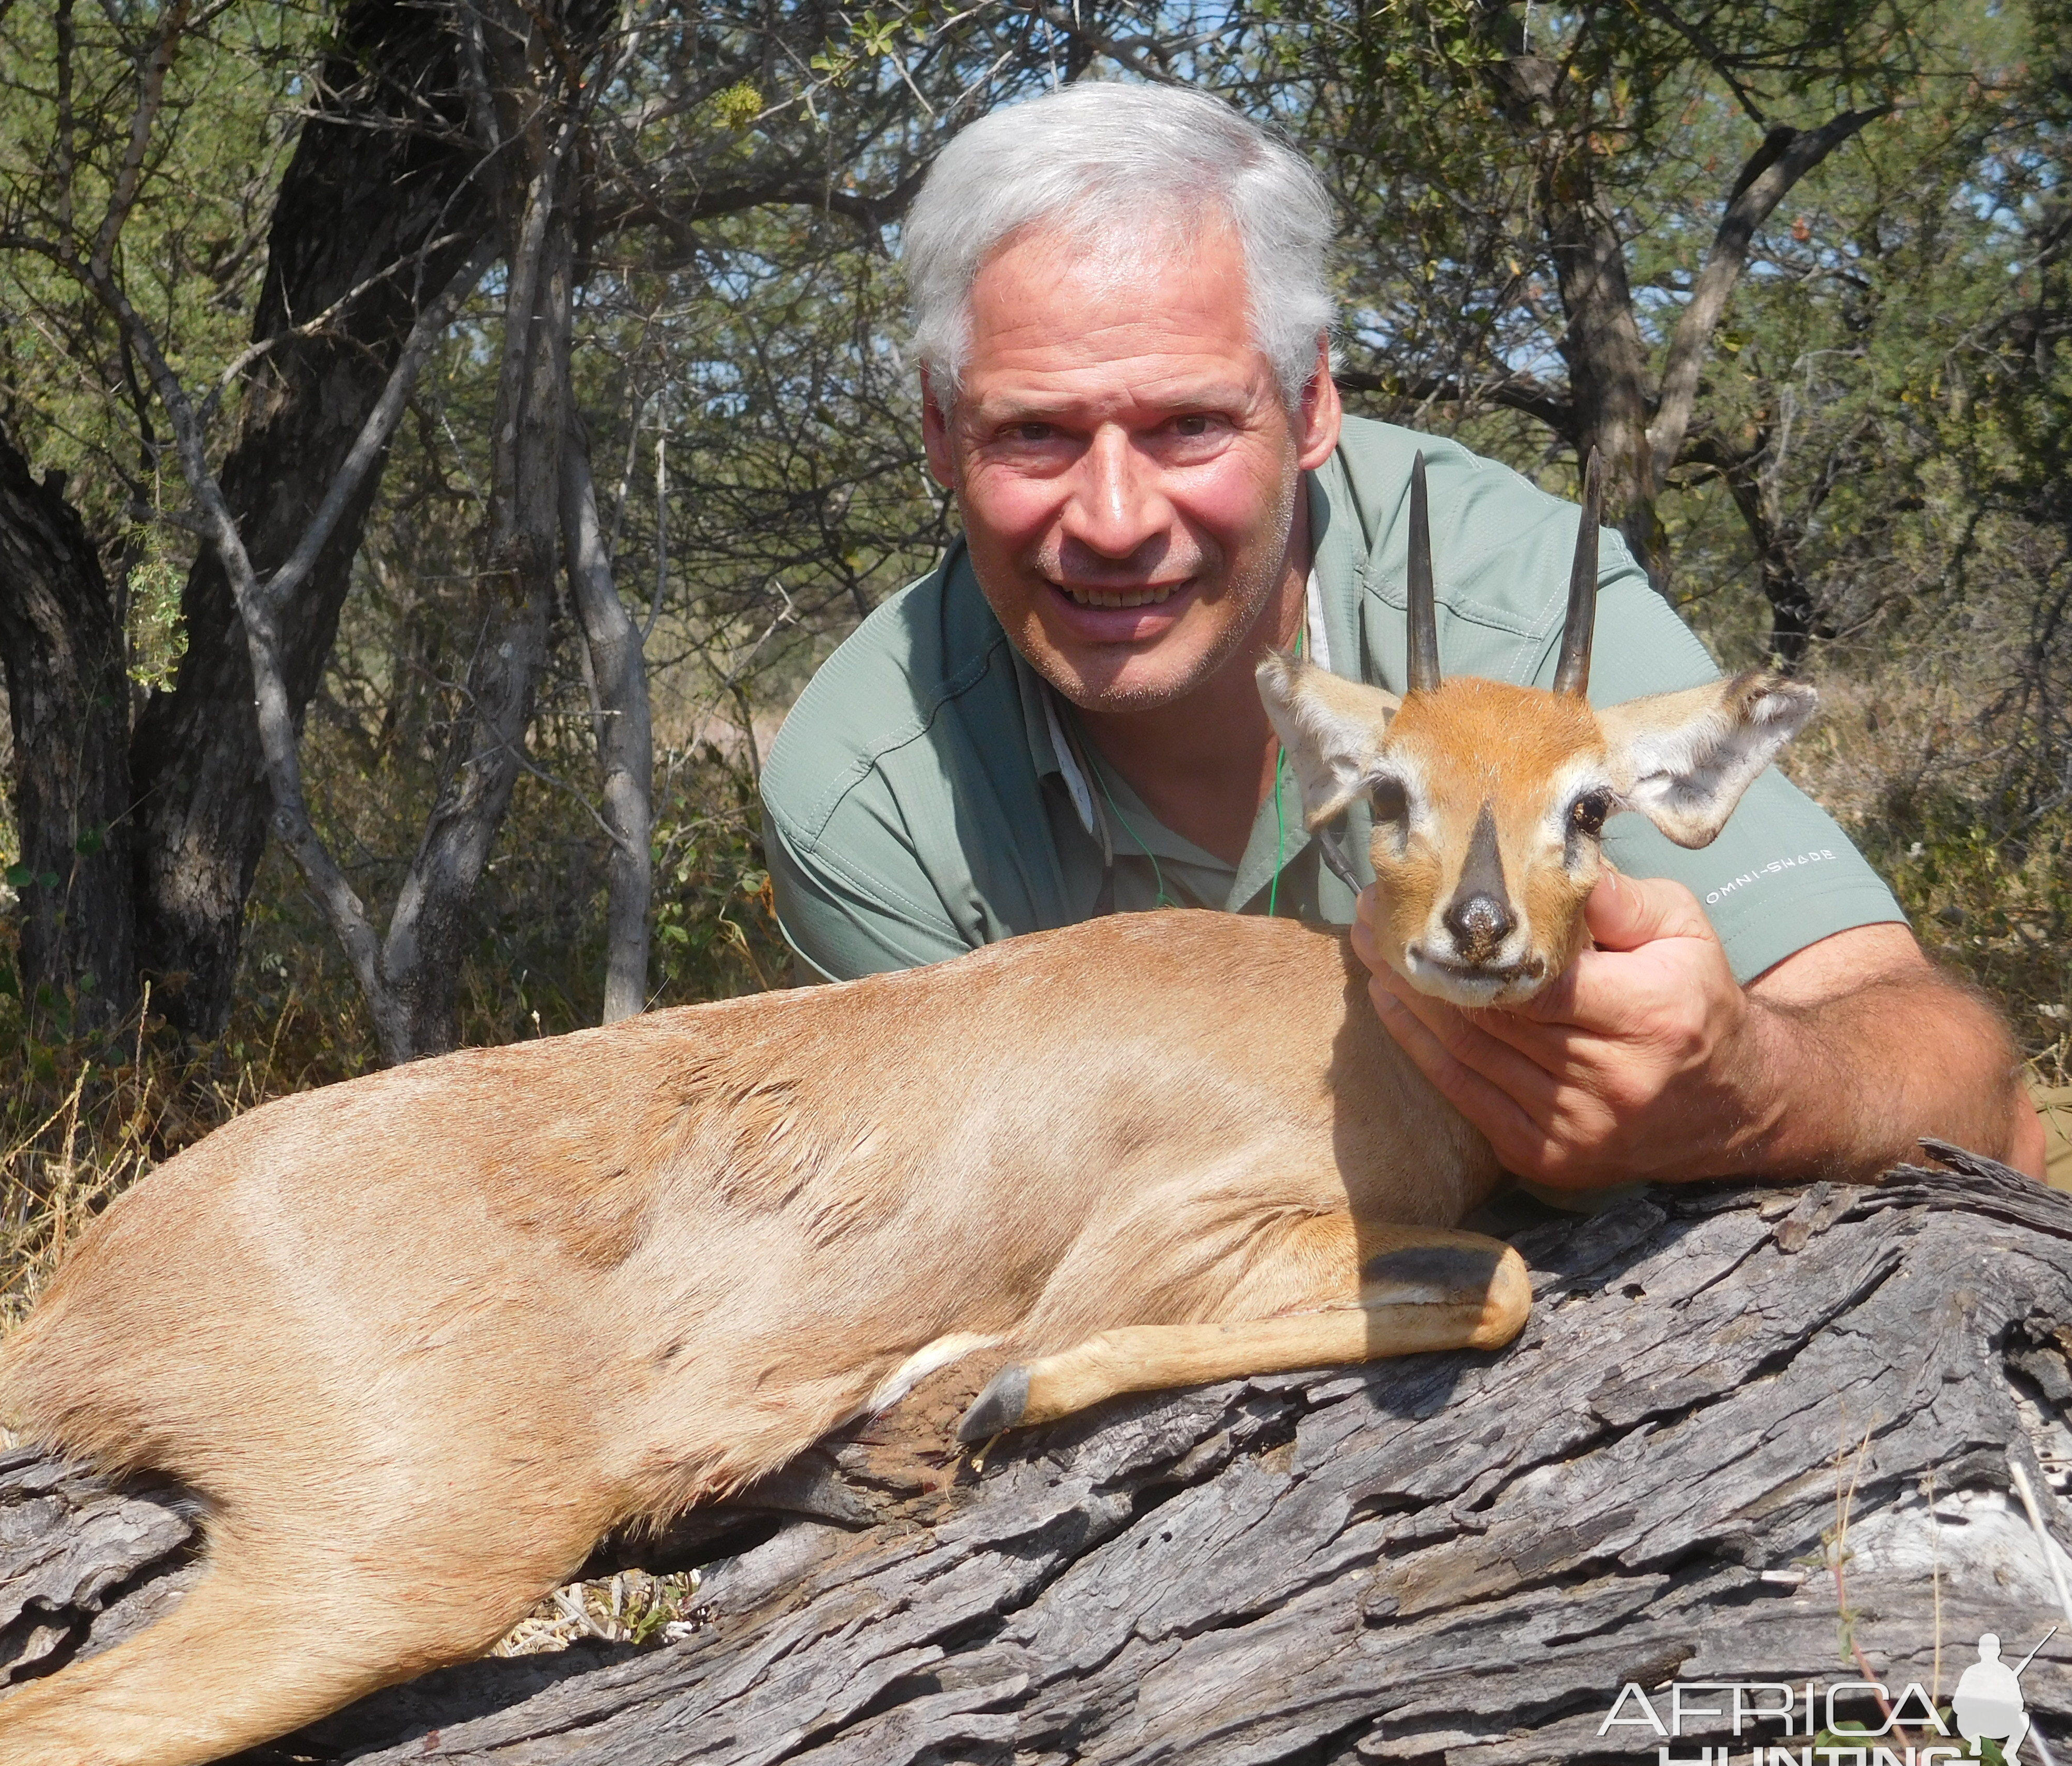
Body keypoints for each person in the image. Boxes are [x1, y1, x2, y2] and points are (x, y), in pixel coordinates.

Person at [760, 82, 2046, 1187]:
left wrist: (1755, 1086)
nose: (1111, 519)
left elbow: (1981, 1103)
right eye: (1033, 432)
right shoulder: (873, 790)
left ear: (1312, 401)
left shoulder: (1527, 610)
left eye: (1189, 426)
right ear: (937, 428)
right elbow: (974, 1236)